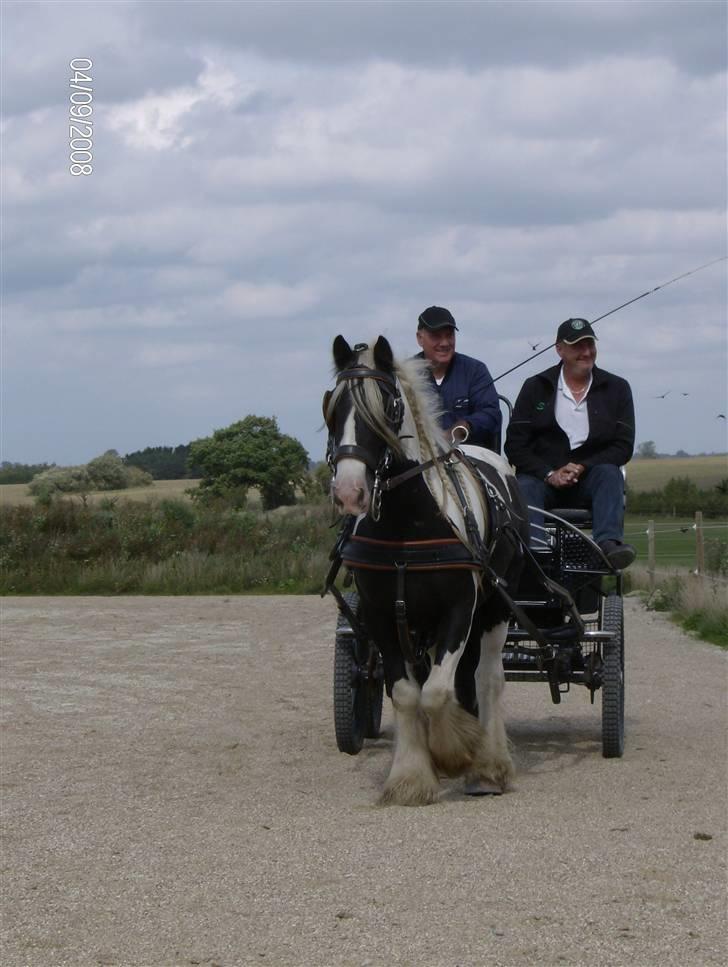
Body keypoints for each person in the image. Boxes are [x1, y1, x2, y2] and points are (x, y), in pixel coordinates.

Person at [504, 317, 636, 569]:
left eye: (590, 345)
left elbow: (623, 446)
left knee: (610, 476)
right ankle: (536, 553)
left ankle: (609, 545)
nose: (586, 352)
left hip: (591, 478)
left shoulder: (617, 388)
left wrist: (582, 466)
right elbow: (515, 446)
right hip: (543, 481)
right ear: (560, 349)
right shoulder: (535, 387)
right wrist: (549, 473)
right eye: (577, 346)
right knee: (524, 486)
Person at [416, 306, 502, 449]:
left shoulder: (476, 370)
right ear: (420, 338)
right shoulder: (404, 375)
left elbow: (491, 414)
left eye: (449, 335)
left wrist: (464, 427)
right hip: (419, 457)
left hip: (468, 454)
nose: (444, 343)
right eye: (436, 336)